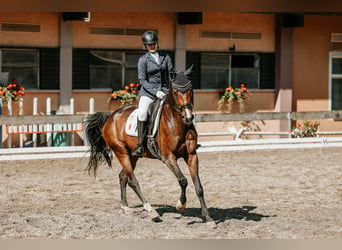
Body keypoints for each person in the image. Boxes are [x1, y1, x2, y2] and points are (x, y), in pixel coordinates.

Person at [132, 30, 174, 157]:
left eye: (154, 44)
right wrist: (156, 92)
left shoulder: (165, 57)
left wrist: (170, 89)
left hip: (166, 91)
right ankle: (140, 144)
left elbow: (170, 74)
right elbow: (142, 80)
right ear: (145, 46)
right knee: (143, 113)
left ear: (157, 44)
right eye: (150, 45)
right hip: (148, 93)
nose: (152, 46)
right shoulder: (143, 60)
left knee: (181, 109)